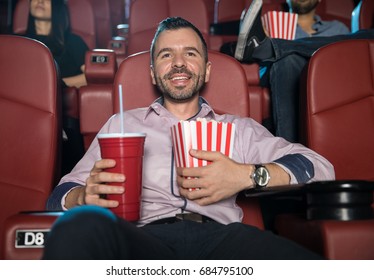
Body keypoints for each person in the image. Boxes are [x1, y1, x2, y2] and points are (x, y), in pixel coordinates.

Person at [42, 16, 335, 260]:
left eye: (190, 54)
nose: (179, 63)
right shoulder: (121, 124)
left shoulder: (238, 128)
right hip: (143, 240)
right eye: (166, 55)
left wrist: (248, 175)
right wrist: (82, 196)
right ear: (154, 74)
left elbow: (318, 167)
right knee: (75, 227)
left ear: (206, 72)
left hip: (224, 242)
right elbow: (58, 195)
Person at [226, 0, 374, 142]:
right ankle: (289, 154)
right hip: (286, 74)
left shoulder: (338, 28)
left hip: (328, 79)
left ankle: (268, 48)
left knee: (364, 38)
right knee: (287, 60)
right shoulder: (272, 23)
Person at [21, 0, 89, 174]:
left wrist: (56, 82)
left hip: (63, 113)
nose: (40, 1)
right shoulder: (18, 41)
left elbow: (89, 76)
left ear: (58, 8)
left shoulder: (73, 41)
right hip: (24, 107)